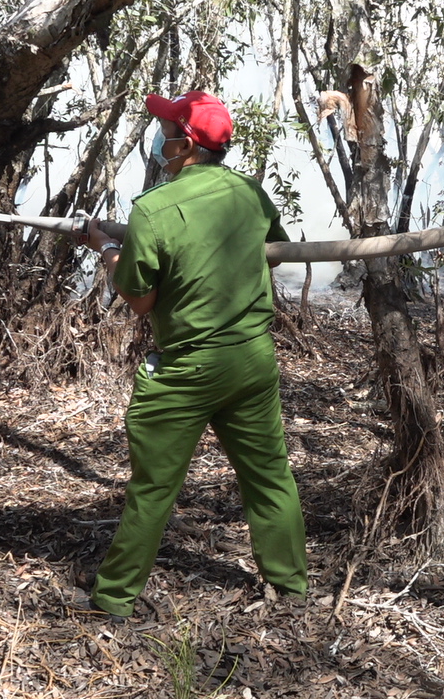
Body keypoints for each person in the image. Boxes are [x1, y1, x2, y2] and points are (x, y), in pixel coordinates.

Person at [81, 91, 308, 621]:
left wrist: (109, 250)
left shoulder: (153, 209)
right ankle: (291, 588)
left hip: (186, 369)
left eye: (166, 133)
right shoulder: (251, 194)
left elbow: (140, 300)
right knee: (270, 474)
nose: (161, 141)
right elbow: (270, 250)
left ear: (183, 146)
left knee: (154, 487)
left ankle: (114, 598)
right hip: (252, 359)